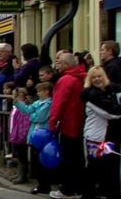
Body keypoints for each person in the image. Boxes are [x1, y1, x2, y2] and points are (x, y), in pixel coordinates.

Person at [49, 53, 86, 199]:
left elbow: (58, 103)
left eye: (58, 62)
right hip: (81, 123)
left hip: (68, 124)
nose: (56, 65)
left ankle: (67, 190)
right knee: (78, 159)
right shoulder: (82, 77)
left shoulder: (65, 80)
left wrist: (52, 122)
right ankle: (79, 189)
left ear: (65, 64)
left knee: (68, 159)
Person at [81, 66, 121, 199]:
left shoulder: (111, 91)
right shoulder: (90, 94)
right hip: (95, 138)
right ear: (89, 80)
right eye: (94, 77)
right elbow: (110, 113)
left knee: (111, 168)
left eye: (99, 76)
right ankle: (88, 195)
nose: (97, 79)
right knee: (94, 168)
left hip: (109, 136)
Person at [14, 82, 53, 195]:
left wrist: (31, 116)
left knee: (42, 162)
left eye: (40, 90)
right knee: (36, 162)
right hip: (34, 135)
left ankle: (45, 186)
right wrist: (18, 102)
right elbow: (27, 110)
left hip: (42, 135)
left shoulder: (48, 104)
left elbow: (39, 117)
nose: (37, 92)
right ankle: (41, 185)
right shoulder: (38, 102)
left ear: (46, 91)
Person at [8, 87, 30, 184]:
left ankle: (23, 176)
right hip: (14, 134)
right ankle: (19, 173)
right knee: (17, 154)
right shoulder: (15, 107)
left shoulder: (24, 107)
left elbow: (24, 124)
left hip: (20, 136)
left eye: (15, 95)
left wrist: (21, 136)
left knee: (22, 156)